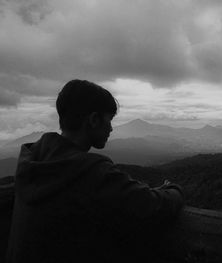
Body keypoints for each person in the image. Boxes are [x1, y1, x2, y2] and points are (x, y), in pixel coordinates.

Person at [7, 79, 184, 263]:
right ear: (93, 120)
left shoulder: (33, 160)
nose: (111, 128)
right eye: (109, 120)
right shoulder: (93, 173)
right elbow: (152, 205)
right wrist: (174, 189)